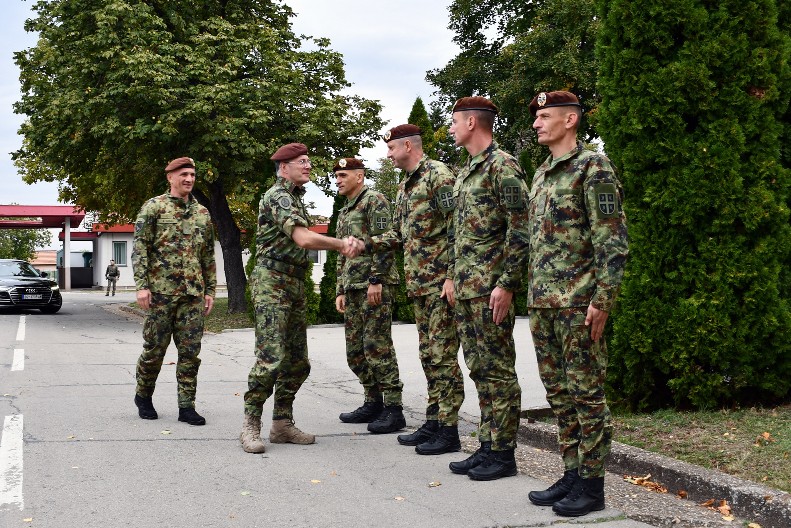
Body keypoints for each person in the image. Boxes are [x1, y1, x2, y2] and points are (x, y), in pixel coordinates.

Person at [525, 91, 628, 517]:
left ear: (570, 120)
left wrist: (603, 299)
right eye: (536, 117)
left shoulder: (593, 166)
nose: (536, 123)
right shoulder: (542, 173)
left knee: (586, 396)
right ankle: (571, 473)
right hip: (544, 303)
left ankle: (592, 485)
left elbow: (612, 239)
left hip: (578, 303)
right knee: (559, 395)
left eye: (545, 116)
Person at [240, 143, 359, 454]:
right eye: (301, 161)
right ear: (284, 167)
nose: (308, 166)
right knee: (270, 359)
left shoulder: (294, 198)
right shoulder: (278, 196)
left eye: (308, 161)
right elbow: (303, 238)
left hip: (293, 281)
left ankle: (282, 423)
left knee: (297, 362)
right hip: (272, 282)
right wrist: (341, 244)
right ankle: (250, 423)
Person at [366, 124, 465, 454]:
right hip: (419, 285)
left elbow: (456, 226)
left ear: (408, 146)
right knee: (428, 355)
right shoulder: (405, 185)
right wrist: (362, 243)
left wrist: (452, 275)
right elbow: (397, 233)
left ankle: (449, 429)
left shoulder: (438, 175)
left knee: (443, 356)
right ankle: (434, 420)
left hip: (439, 284)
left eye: (391, 148)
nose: (389, 155)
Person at [445, 97, 530, 480]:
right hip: (467, 289)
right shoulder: (467, 171)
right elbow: (458, 233)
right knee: (479, 369)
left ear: (472, 123)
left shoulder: (502, 166)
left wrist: (507, 284)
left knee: (498, 371)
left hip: (491, 289)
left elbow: (521, 227)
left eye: (454, 121)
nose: (451, 128)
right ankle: (487, 445)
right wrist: (451, 276)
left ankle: (504, 453)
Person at [132, 156, 216, 426]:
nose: (189, 179)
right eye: (184, 175)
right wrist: (142, 286)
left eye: (192, 175)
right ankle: (144, 396)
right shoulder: (154, 207)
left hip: (192, 295)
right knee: (154, 350)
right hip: (161, 293)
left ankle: (186, 406)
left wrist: (210, 290)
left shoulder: (202, 213)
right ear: (170, 177)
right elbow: (140, 249)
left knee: (190, 353)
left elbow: (208, 255)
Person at [334, 157, 406, 434]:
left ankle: (394, 409)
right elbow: (342, 252)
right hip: (353, 287)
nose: (338, 180)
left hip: (373, 286)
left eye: (343, 175)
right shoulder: (345, 209)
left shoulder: (374, 200)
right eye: (336, 176)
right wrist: (340, 289)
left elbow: (386, 241)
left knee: (377, 347)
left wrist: (376, 279)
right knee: (355, 353)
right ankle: (373, 401)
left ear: (359, 176)